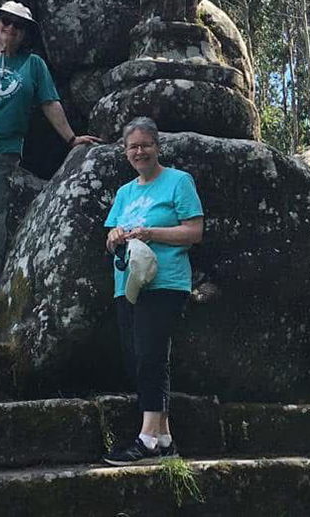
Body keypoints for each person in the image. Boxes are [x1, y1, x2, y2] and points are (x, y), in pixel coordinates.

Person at [0, 1, 101, 296]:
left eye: (18, 25)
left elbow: (49, 103)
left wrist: (71, 138)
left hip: (1, 150)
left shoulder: (32, 65)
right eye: (6, 21)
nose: (10, 28)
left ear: (25, 33)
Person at [102, 117, 203, 466]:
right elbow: (110, 235)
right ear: (126, 152)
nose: (139, 151)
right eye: (133, 146)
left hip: (165, 281)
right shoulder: (124, 192)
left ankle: (146, 439)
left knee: (151, 355)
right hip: (128, 283)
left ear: (158, 146)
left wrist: (152, 233)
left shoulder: (178, 181)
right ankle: (164, 437)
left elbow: (193, 231)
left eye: (145, 144)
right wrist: (114, 237)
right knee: (138, 358)